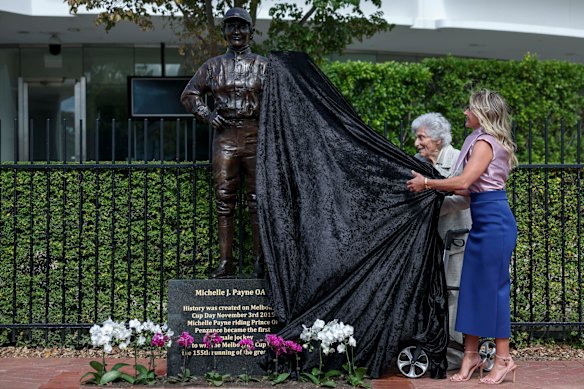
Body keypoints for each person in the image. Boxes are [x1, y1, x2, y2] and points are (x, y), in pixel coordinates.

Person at [407, 89, 518, 385]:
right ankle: (470, 355)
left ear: (481, 112)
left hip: (495, 222)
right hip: (483, 220)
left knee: (494, 291)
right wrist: (435, 187)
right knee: (470, 287)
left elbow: (465, 182)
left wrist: (428, 182)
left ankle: (504, 360)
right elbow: (468, 189)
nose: (465, 113)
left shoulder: (484, 142)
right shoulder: (476, 140)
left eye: (469, 108)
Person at [181, 7, 268, 278]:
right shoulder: (212, 66)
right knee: (224, 200)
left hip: (255, 136)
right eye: (231, 27)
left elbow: (280, 103)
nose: (236, 32)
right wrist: (207, 114)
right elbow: (189, 94)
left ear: (251, 31)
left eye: (241, 27)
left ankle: (260, 262)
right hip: (226, 136)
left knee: (258, 201)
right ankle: (225, 263)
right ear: (224, 32)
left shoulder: (265, 66)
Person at [411, 112, 472, 371]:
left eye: (421, 137)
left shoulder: (458, 159)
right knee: (428, 294)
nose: (417, 143)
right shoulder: (416, 162)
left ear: (437, 139)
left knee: (452, 293)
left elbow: (465, 198)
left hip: (455, 239)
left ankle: (454, 354)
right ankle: (431, 345)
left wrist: (431, 204)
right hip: (427, 242)